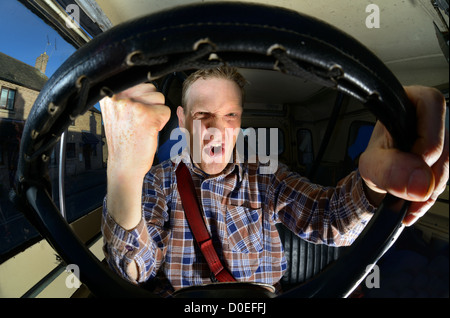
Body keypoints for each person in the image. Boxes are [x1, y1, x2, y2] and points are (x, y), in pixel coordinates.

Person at [100, 66, 448, 296]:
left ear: (240, 121)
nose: (217, 129)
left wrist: (371, 184)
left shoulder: (265, 174)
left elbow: (329, 219)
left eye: (230, 115)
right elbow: (133, 268)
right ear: (181, 119)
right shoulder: (159, 183)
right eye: (202, 115)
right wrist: (123, 172)